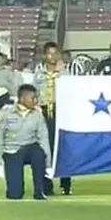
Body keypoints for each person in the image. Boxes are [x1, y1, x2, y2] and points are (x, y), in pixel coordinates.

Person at [0, 84, 52, 201]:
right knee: (15, 194)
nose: (35, 101)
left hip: (31, 148)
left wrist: (48, 164)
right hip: (12, 151)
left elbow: (44, 139)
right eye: (32, 98)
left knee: (38, 153)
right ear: (22, 98)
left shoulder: (38, 115)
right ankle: (15, 188)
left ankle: (39, 191)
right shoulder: (6, 113)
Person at [34, 42, 71, 196]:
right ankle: (46, 184)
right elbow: (35, 94)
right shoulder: (38, 74)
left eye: (56, 53)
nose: (53, 56)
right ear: (44, 55)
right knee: (44, 147)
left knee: (63, 148)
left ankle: (65, 183)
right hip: (43, 111)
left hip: (61, 111)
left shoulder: (65, 73)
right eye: (50, 53)